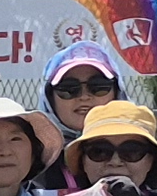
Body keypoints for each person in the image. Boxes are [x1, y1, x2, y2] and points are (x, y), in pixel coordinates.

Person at [33, 41, 122, 185]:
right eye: (68, 89)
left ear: (117, 92)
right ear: (49, 98)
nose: (84, 96)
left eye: (99, 86)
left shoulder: (143, 150)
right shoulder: (31, 163)